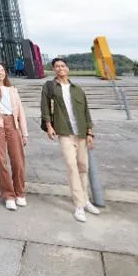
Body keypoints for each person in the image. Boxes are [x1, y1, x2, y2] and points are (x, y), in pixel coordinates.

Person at [41, 57, 99, 223]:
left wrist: (90, 133)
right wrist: (49, 126)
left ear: (67, 69)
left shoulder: (77, 89)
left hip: (80, 132)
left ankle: (85, 199)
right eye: (57, 66)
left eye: (63, 66)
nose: (60, 69)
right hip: (64, 132)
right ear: (54, 70)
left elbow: (87, 112)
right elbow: (45, 107)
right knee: (71, 166)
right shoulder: (50, 87)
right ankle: (79, 205)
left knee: (83, 166)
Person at [0, 62, 28, 211]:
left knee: (18, 160)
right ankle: (8, 195)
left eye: (3, 70)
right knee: (2, 161)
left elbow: (21, 112)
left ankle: (19, 192)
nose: (1, 72)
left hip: (13, 125)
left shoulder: (12, 90)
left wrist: (24, 133)